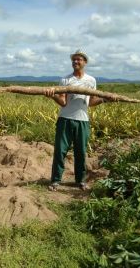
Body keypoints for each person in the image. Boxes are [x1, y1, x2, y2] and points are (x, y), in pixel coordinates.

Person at [45, 50, 116, 191]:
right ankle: (55, 180)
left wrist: (104, 99)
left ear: (85, 62)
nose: (75, 62)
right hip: (65, 119)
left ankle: (80, 181)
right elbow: (63, 102)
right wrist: (52, 96)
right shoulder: (65, 80)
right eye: (74, 60)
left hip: (82, 121)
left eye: (79, 60)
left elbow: (91, 102)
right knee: (60, 151)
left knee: (80, 152)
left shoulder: (91, 80)